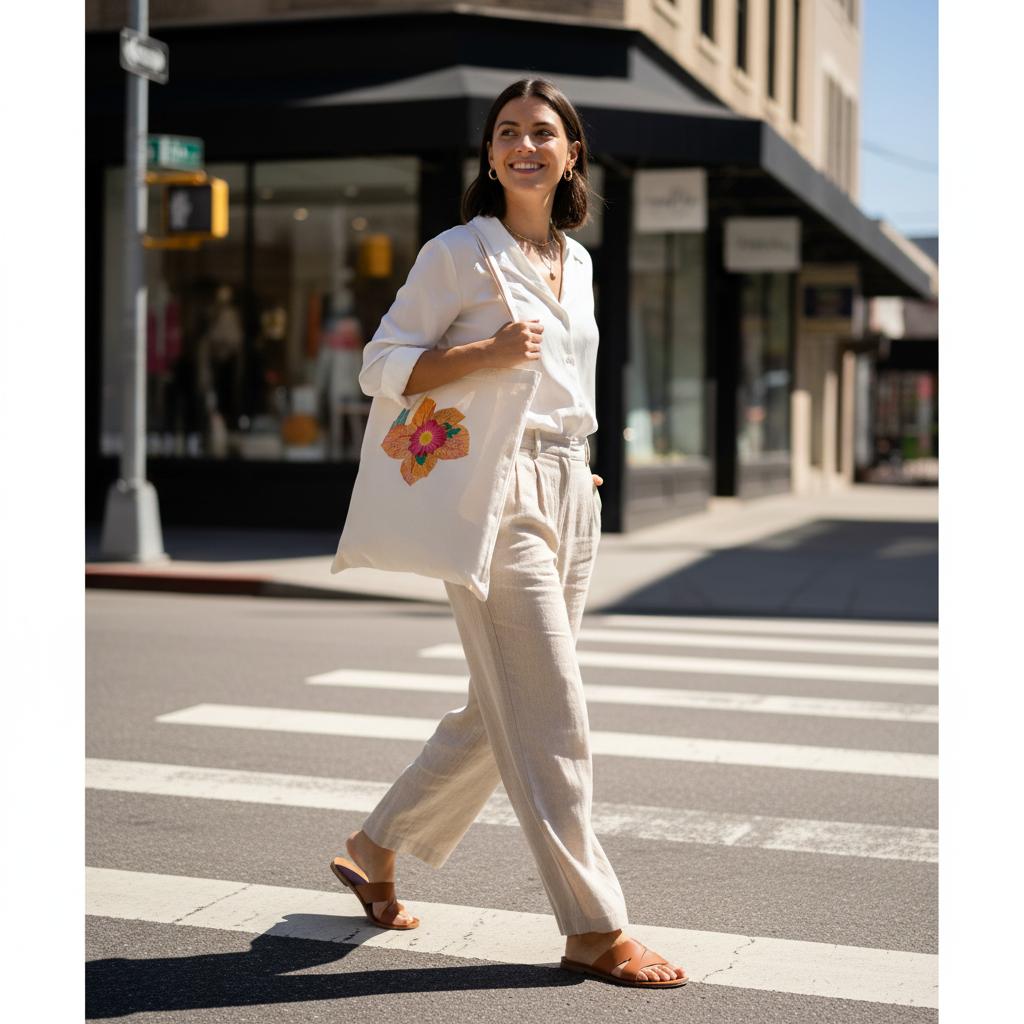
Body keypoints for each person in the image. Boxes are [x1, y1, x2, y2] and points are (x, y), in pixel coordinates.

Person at [329, 78, 688, 989]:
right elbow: (381, 366)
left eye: (544, 132)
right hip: (493, 493)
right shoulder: (459, 252)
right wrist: (485, 357)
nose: (525, 145)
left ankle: (375, 847)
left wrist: (577, 456)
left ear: (572, 153)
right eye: (507, 133)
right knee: (554, 710)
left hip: (573, 484)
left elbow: (571, 380)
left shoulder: (580, 260)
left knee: (507, 709)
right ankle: (594, 927)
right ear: (490, 156)